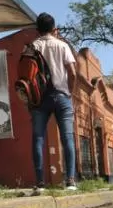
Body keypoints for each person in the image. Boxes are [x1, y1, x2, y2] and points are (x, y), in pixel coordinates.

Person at [30, 12, 78, 192]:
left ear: (37, 30)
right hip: (61, 96)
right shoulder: (62, 46)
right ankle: (71, 181)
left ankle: (40, 183)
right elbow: (72, 73)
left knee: (38, 138)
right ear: (54, 28)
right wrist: (70, 94)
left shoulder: (31, 47)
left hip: (39, 98)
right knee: (67, 138)